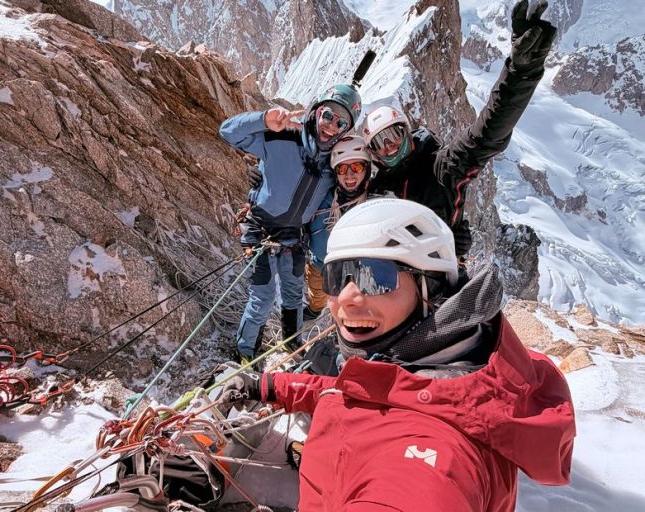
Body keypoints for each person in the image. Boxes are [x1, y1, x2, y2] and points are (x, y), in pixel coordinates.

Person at [219, 198, 576, 511]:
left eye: (376, 277)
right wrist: (268, 385)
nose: (345, 298)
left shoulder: (431, 452)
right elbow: (349, 390)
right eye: (336, 277)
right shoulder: (430, 371)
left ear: (431, 289)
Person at [361, 0, 557, 258]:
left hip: (440, 275)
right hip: (392, 277)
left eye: (394, 135)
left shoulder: (442, 167)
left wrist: (521, 72)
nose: (390, 146)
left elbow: (486, 134)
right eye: (379, 143)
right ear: (373, 154)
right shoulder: (376, 189)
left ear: (407, 132)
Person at [219, 83, 362, 364]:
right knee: (262, 298)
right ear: (316, 112)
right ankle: (245, 354)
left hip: (294, 237)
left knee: (293, 295)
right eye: (328, 115)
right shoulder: (280, 137)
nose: (332, 126)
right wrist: (263, 120)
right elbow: (227, 132)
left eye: (341, 122)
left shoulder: (332, 166)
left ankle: (291, 345)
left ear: (346, 131)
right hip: (259, 229)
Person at [304, 135, 371, 320]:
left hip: (357, 271)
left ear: (367, 168)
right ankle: (315, 309)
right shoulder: (320, 197)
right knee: (317, 294)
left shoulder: (375, 201)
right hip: (320, 264)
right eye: (342, 168)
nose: (349, 175)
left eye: (357, 167)